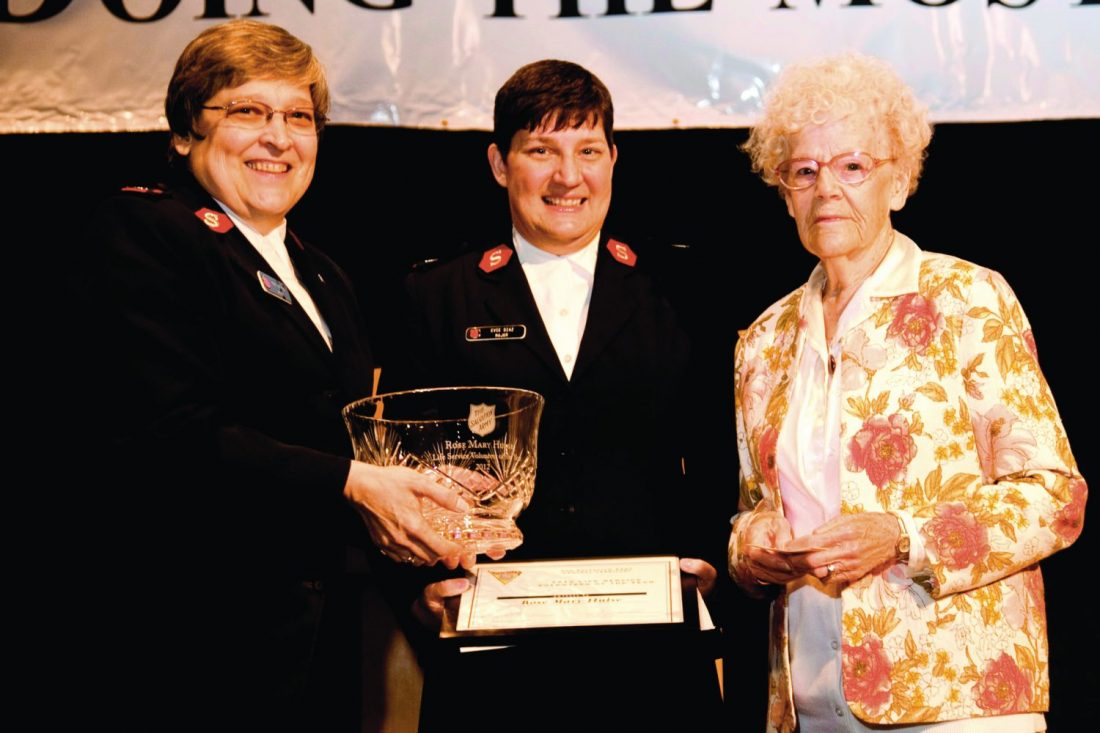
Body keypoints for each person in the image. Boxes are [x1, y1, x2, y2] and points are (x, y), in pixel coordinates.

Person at [85, 20, 476, 731]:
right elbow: (168, 432)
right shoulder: (144, 232)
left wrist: (431, 526)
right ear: (184, 133)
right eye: (247, 110)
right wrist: (358, 484)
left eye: (299, 116)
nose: (279, 136)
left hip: (314, 648)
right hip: (192, 646)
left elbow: (351, 444)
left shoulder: (323, 274)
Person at [727, 52, 1087, 732]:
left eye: (852, 166)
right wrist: (752, 547)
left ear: (899, 180)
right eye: (804, 170)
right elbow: (751, 512)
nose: (826, 188)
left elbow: (1055, 496)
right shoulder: (763, 340)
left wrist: (902, 537)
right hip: (808, 705)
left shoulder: (968, 299)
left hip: (958, 700)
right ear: (783, 190)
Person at [381, 59, 729, 730]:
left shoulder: (680, 288)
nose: (568, 176)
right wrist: (421, 593)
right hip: (494, 659)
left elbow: (721, 451)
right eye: (541, 150)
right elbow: (395, 474)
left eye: (588, 151)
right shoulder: (433, 296)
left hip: (653, 655)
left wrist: (713, 561)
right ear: (499, 163)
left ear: (613, 159)